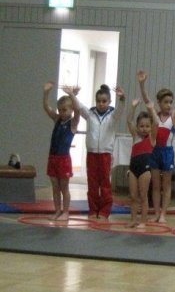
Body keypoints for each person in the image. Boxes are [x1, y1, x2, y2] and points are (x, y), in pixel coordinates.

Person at [137, 70, 175, 223]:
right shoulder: (155, 115)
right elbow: (147, 100)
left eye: (170, 102)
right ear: (159, 103)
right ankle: (156, 213)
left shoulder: (174, 116)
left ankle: (163, 215)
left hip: (167, 153)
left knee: (166, 185)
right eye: (166, 102)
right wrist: (142, 84)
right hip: (155, 152)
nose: (169, 105)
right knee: (155, 185)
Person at [65, 84, 126, 220]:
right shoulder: (90, 114)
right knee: (92, 183)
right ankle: (93, 210)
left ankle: (104, 211)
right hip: (92, 154)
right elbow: (79, 107)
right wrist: (72, 95)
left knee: (105, 184)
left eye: (104, 101)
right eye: (98, 101)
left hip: (106, 154)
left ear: (109, 101)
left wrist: (122, 98)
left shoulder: (112, 116)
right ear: (95, 101)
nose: (101, 104)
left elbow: (120, 110)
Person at [42, 82, 80, 221]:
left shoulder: (73, 123)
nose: (61, 113)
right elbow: (46, 108)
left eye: (64, 110)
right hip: (53, 158)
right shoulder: (57, 119)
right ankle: (57, 210)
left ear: (70, 110)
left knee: (64, 188)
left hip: (63, 159)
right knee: (55, 187)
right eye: (60, 110)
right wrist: (46, 93)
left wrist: (71, 95)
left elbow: (78, 110)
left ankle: (66, 212)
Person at [126, 98, 158, 229]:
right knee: (133, 196)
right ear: (137, 127)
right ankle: (134, 220)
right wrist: (133, 107)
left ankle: (143, 221)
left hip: (145, 170)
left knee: (143, 196)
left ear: (150, 127)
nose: (144, 129)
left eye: (147, 126)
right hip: (133, 169)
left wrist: (151, 109)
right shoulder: (135, 136)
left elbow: (156, 122)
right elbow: (129, 120)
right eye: (141, 126)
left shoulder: (152, 138)